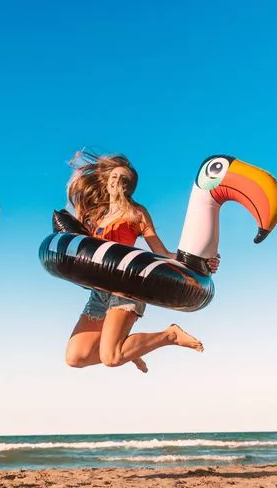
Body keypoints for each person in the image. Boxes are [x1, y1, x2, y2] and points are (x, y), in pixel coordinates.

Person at [62, 152, 218, 373]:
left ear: (130, 187)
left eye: (124, 179)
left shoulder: (137, 213)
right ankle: (132, 349)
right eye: (114, 176)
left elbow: (162, 252)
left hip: (126, 289)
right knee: (75, 357)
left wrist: (201, 261)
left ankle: (169, 335)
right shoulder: (96, 216)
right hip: (99, 292)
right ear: (106, 181)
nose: (117, 181)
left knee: (112, 357)